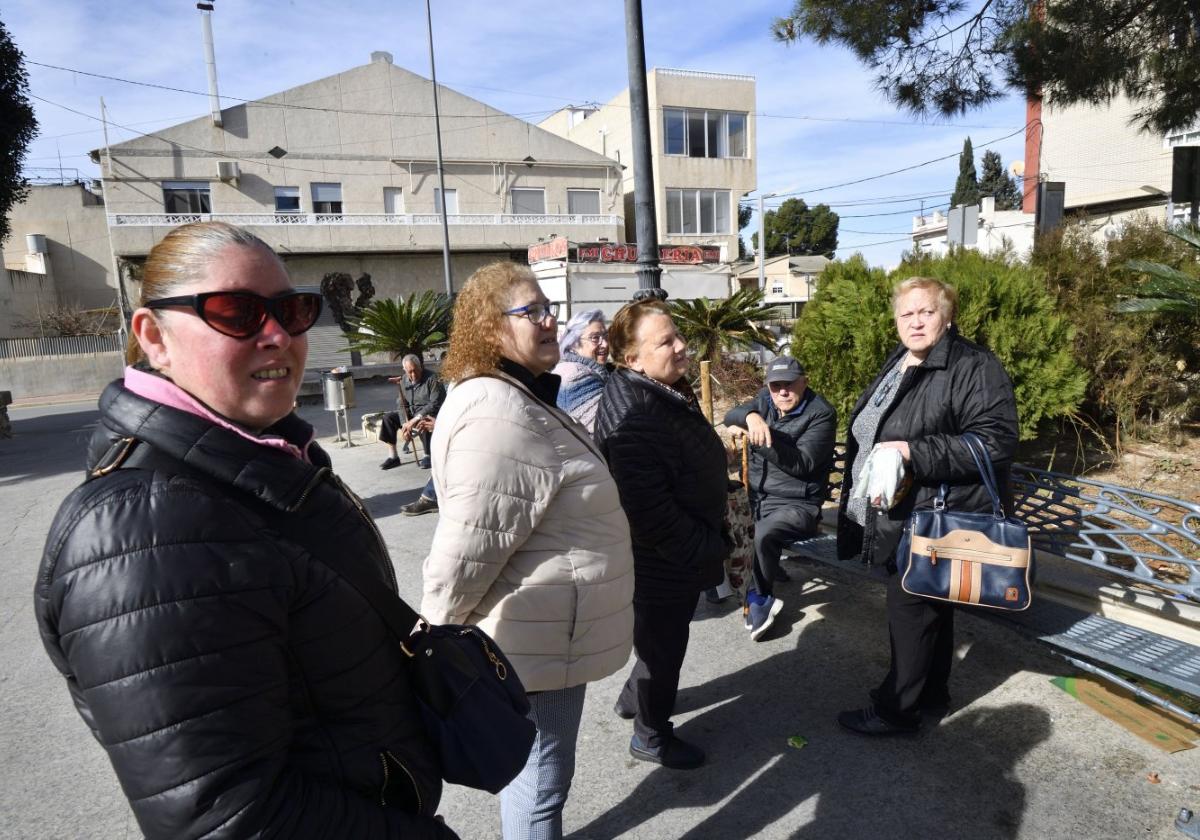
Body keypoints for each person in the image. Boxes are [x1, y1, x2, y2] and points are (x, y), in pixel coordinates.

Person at [34, 222, 456, 839]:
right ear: (154, 337)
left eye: (293, 309)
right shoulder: (146, 533)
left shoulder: (260, 460)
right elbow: (224, 816)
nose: (278, 334)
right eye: (237, 312)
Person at [421, 262, 634, 840]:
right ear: (491, 330)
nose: (549, 320)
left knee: (537, 781)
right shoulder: (498, 410)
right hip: (537, 640)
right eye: (532, 312)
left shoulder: (516, 396)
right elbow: (468, 544)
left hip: (546, 633)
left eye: (549, 309)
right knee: (540, 787)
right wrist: (434, 638)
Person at [835, 276, 1018, 736]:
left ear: (947, 314)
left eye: (926, 312)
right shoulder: (903, 360)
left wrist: (914, 452)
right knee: (928, 606)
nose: (915, 322)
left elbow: (995, 441)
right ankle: (932, 692)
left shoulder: (974, 365)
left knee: (910, 610)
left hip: (937, 516)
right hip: (904, 512)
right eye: (906, 314)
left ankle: (896, 709)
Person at [593, 298, 729, 770]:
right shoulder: (634, 414)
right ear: (632, 359)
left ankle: (633, 700)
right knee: (663, 649)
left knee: (658, 642)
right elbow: (650, 514)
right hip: (663, 562)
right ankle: (650, 735)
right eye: (666, 341)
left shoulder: (656, 388)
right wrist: (707, 550)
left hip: (676, 555)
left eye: (678, 335)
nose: (682, 345)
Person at [724, 356, 837, 641]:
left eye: (790, 384)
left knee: (762, 534)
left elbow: (803, 464)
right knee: (717, 512)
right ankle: (730, 582)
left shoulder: (821, 413)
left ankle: (760, 598)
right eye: (776, 386)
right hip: (759, 498)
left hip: (799, 505)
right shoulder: (766, 400)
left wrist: (757, 439)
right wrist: (751, 417)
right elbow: (731, 415)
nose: (782, 392)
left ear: (804, 382)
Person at [379, 353, 444, 470]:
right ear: (404, 370)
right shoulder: (404, 380)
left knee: (423, 421)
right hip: (411, 413)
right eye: (409, 372)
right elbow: (401, 403)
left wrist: (414, 420)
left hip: (427, 413)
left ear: (420, 367)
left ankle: (427, 454)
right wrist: (405, 423)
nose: (413, 375)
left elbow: (435, 404)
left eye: (415, 370)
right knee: (388, 418)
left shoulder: (433, 378)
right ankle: (393, 457)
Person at [552, 309, 610, 432]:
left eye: (605, 336)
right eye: (595, 338)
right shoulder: (576, 375)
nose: (604, 344)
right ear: (573, 343)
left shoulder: (589, 369)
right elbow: (606, 427)